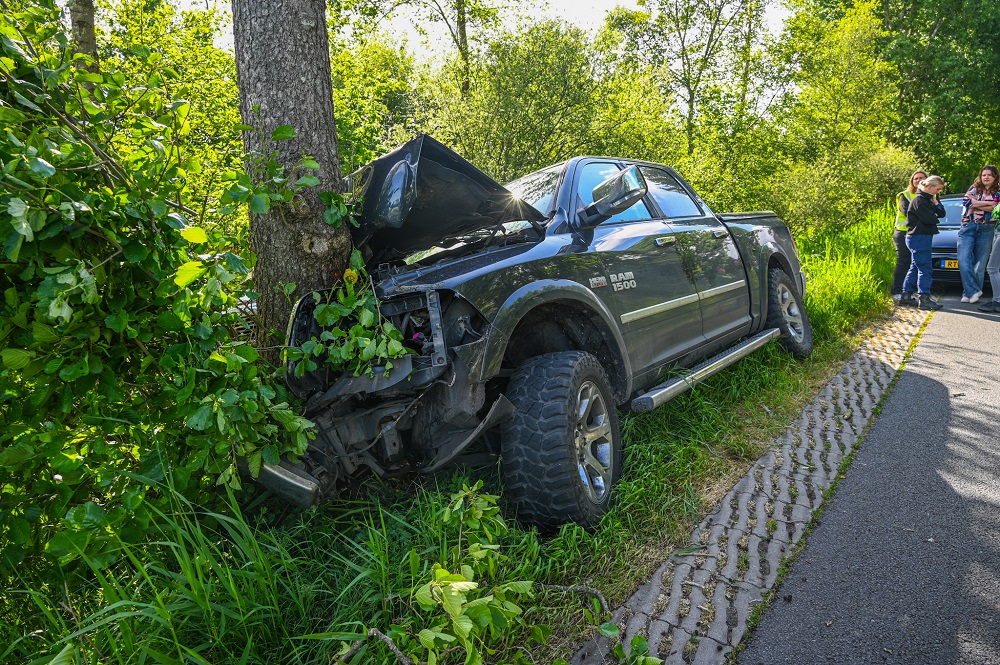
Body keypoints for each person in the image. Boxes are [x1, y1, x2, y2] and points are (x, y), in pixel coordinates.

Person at [902, 175, 947, 310]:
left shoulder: (929, 199)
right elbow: (930, 219)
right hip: (919, 237)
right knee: (925, 268)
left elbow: (942, 214)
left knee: (915, 266)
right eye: (937, 189)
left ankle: (906, 296)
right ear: (929, 187)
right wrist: (934, 214)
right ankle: (924, 299)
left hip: (920, 237)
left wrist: (936, 204)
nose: (938, 192)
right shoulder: (919, 200)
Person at [957, 165, 999, 303]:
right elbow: (966, 202)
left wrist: (976, 203)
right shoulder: (974, 188)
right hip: (968, 226)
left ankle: (970, 294)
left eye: (989, 175)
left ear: (995, 177)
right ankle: (972, 291)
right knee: (963, 260)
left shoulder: (998, 191)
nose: (985, 177)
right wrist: (988, 204)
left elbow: (996, 207)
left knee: (980, 265)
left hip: (987, 228)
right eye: (983, 175)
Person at [893, 170, 926, 306]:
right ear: (912, 181)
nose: (918, 181)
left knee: (917, 263)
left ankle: (909, 292)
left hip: (919, 233)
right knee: (904, 261)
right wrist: (927, 216)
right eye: (915, 178)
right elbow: (908, 212)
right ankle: (896, 291)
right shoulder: (905, 195)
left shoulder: (931, 195)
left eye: (921, 178)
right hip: (903, 233)